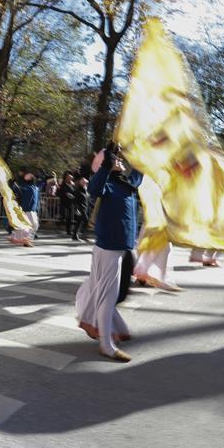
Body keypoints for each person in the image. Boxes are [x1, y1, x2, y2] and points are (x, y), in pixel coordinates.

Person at [75, 144, 143, 362]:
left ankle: (118, 328)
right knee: (107, 296)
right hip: (108, 249)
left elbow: (141, 170)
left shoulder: (126, 184)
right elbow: (94, 188)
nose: (121, 161)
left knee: (112, 293)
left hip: (123, 247)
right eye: (117, 159)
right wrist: (106, 164)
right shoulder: (107, 184)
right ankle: (106, 344)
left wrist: (142, 147)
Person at [12, 172, 40, 245]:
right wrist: (13, 183)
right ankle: (24, 240)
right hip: (26, 210)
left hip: (32, 210)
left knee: (31, 225)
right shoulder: (25, 187)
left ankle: (19, 238)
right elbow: (17, 189)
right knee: (31, 225)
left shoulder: (35, 188)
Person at [71, 176, 90, 242]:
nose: (84, 183)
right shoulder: (78, 190)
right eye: (83, 182)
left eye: (85, 182)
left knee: (79, 222)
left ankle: (75, 235)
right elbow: (75, 200)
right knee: (85, 220)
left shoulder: (85, 190)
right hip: (80, 208)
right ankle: (83, 235)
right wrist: (76, 209)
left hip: (85, 207)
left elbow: (87, 199)